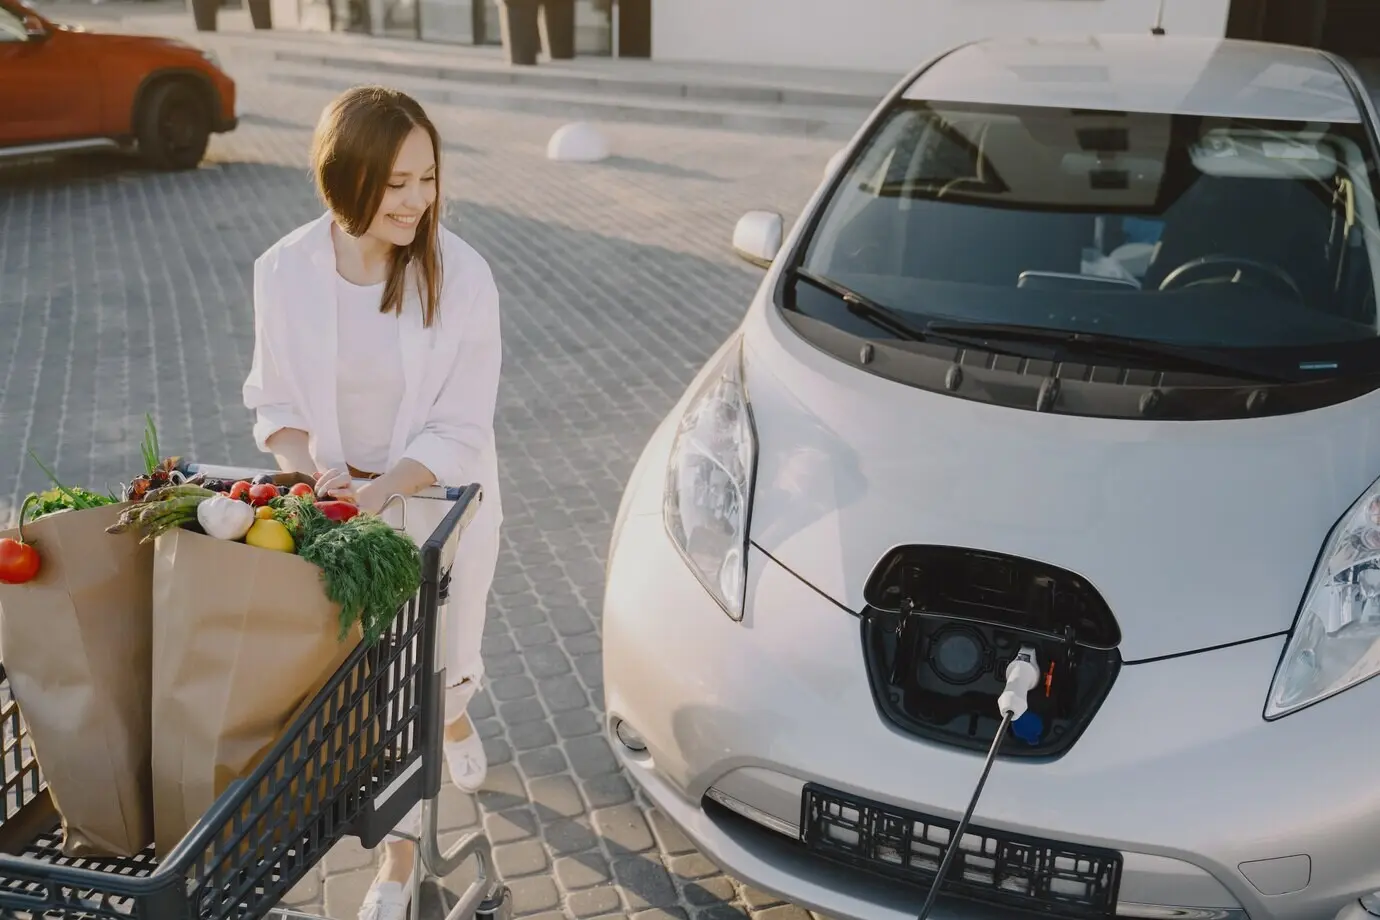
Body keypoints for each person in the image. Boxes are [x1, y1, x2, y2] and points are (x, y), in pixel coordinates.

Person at [241, 85, 504, 920]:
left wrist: (385, 489)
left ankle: (448, 738)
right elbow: (274, 402)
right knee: (377, 687)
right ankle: (398, 856)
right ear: (345, 178)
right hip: (340, 509)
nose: (418, 200)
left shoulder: (461, 275)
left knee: (435, 672)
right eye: (396, 183)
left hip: (434, 497)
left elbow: (463, 422)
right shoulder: (283, 271)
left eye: (427, 178)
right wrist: (307, 474)